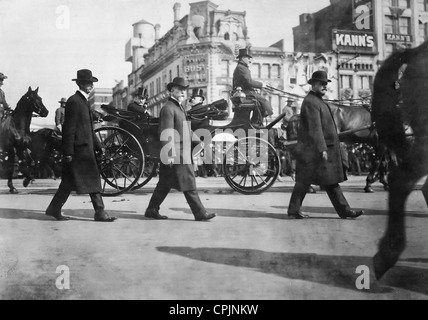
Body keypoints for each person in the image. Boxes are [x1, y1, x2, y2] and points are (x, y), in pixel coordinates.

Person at [287, 71, 364, 220]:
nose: (325, 86)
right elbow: (314, 128)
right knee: (312, 182)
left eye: (326, 84)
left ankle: (344, 211)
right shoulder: (311, 102)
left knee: (324, 181)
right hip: (316, 150)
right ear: (313, 84)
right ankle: (344, 211)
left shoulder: (317, 101)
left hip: (318, 149)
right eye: (322, 84)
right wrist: (321, 148)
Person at [45, 69, 116, 222]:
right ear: (80, 84)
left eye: (91, 83)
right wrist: (68, 152)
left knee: (68, 183)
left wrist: (98, 145)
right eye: (87, 83)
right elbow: (69, 128)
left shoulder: (83, 101)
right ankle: (100, 212)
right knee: (92, 179)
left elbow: (89, 129)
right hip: (79, 150)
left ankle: (54, 208)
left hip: (84, 148)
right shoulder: (74, 101)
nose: (90, 85)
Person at [144, 77, 216, 221]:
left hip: (181, 151)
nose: (183, 92)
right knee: (188, 181)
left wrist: (198, 141)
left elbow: (186, 130)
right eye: (180, 90)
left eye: (184, 90)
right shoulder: (168, 108)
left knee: (164, 184)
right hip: (176, 153)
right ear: (172, 91)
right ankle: (200, 213)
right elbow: (166, 132)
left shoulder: (179, 108)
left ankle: (152, 209)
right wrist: (169, 154)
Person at [233, 48, 273, 117]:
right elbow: (249, 82)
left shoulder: (241, 67)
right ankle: (257, 122)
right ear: (243, 58)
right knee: (264, 101)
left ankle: (257, 121)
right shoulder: (242, 68)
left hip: (245, 92)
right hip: (246, 93)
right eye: (248, 58)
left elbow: (246, 82)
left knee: (261, 101)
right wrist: (262, 85)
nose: (250, 60)